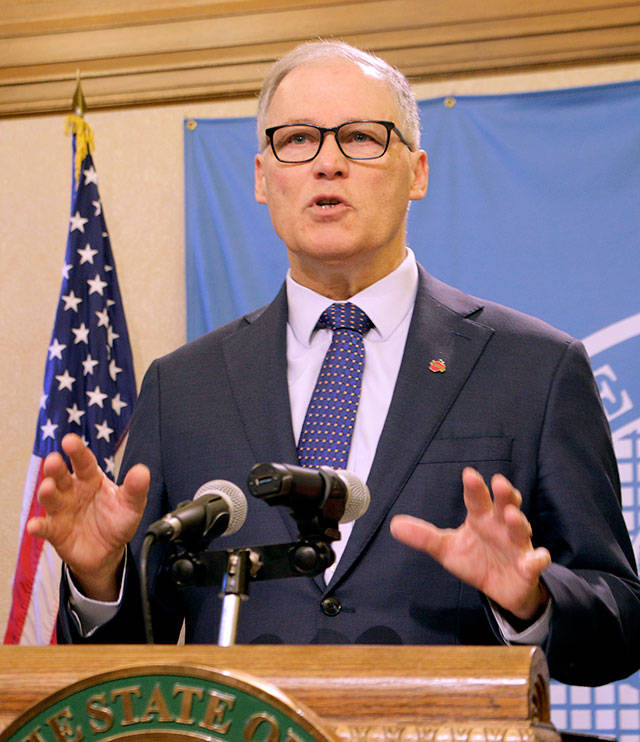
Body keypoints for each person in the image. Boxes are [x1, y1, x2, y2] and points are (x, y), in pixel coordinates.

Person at [28, 40, 640, 687]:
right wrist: (98, 578)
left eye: (360, 137)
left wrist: (532, 602)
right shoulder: (181, 388)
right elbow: (127, 662)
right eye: (297, 140)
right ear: (263, 178)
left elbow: (622, 618)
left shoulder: (534, 369)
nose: (327, 163)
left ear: (418, 171)